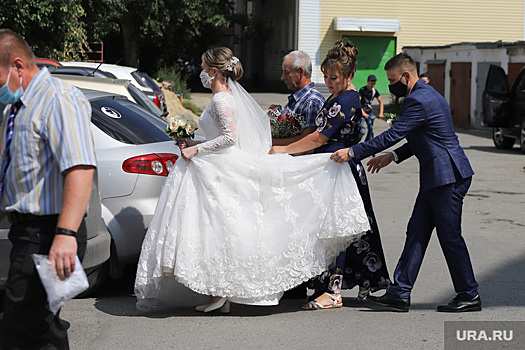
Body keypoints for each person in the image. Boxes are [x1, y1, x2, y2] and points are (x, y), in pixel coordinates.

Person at [134, 47, 370, 313]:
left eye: (202, 66)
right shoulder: (225, 98)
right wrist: (195, 142)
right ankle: (217, 291)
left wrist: (196, 149)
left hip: (316, 162)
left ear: (213, 71)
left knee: (222, 228)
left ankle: (223, 291)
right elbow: (223, 138)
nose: (200, 71)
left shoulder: (223, 100)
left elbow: (230, 139)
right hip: (217, 165)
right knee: (215, 229)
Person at [331, 52, 480, 313]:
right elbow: (422, 135)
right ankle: (399, 293)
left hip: (447, 178)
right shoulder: (429, 95)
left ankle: (469, 294)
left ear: (406, 76)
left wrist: (354, 152)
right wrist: (394, 155)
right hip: (439, 177)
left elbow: (394, 133)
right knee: (416, 233)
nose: (391, 86)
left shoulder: (418, 100)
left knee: (450, 238)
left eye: (392, 80)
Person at [270, 40, 391, 310]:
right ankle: (364, 282)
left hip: (339, 169)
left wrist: (284, 149)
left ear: (349, 76)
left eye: (333, 77)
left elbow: (318, 138)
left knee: (335, 231)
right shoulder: (338, 96)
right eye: (326, 76)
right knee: (347, 230)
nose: (328, 81)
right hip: (333, 167)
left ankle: (334, 291)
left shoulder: (346, 98)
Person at [0, 29, 97, 348]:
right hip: (25, 231)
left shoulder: (59, 99)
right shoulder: (14, 108)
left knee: (20, 326)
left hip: (48, 232)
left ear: (17, 65)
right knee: (42, 329)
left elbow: (80, 168)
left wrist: (65, 235)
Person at [271, 50, 325, 148]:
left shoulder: (312, 101)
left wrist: (272, 142)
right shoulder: (298, 98)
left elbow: (306, 140)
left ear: (301, 72)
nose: (282, 77)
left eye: (286, 73)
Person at [359, 74, 384, 142]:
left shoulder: (374, 91)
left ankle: (366, 145)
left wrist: (381, 113)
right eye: (371, 81)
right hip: (362, 113)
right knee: (362, 131)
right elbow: (358, 103)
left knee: (371, 129)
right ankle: (355, 141)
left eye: (374, 82)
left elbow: (381, 102)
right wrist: (363, 113)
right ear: (368, 81)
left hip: (369, 112)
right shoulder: (362, 90)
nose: (373, 83)